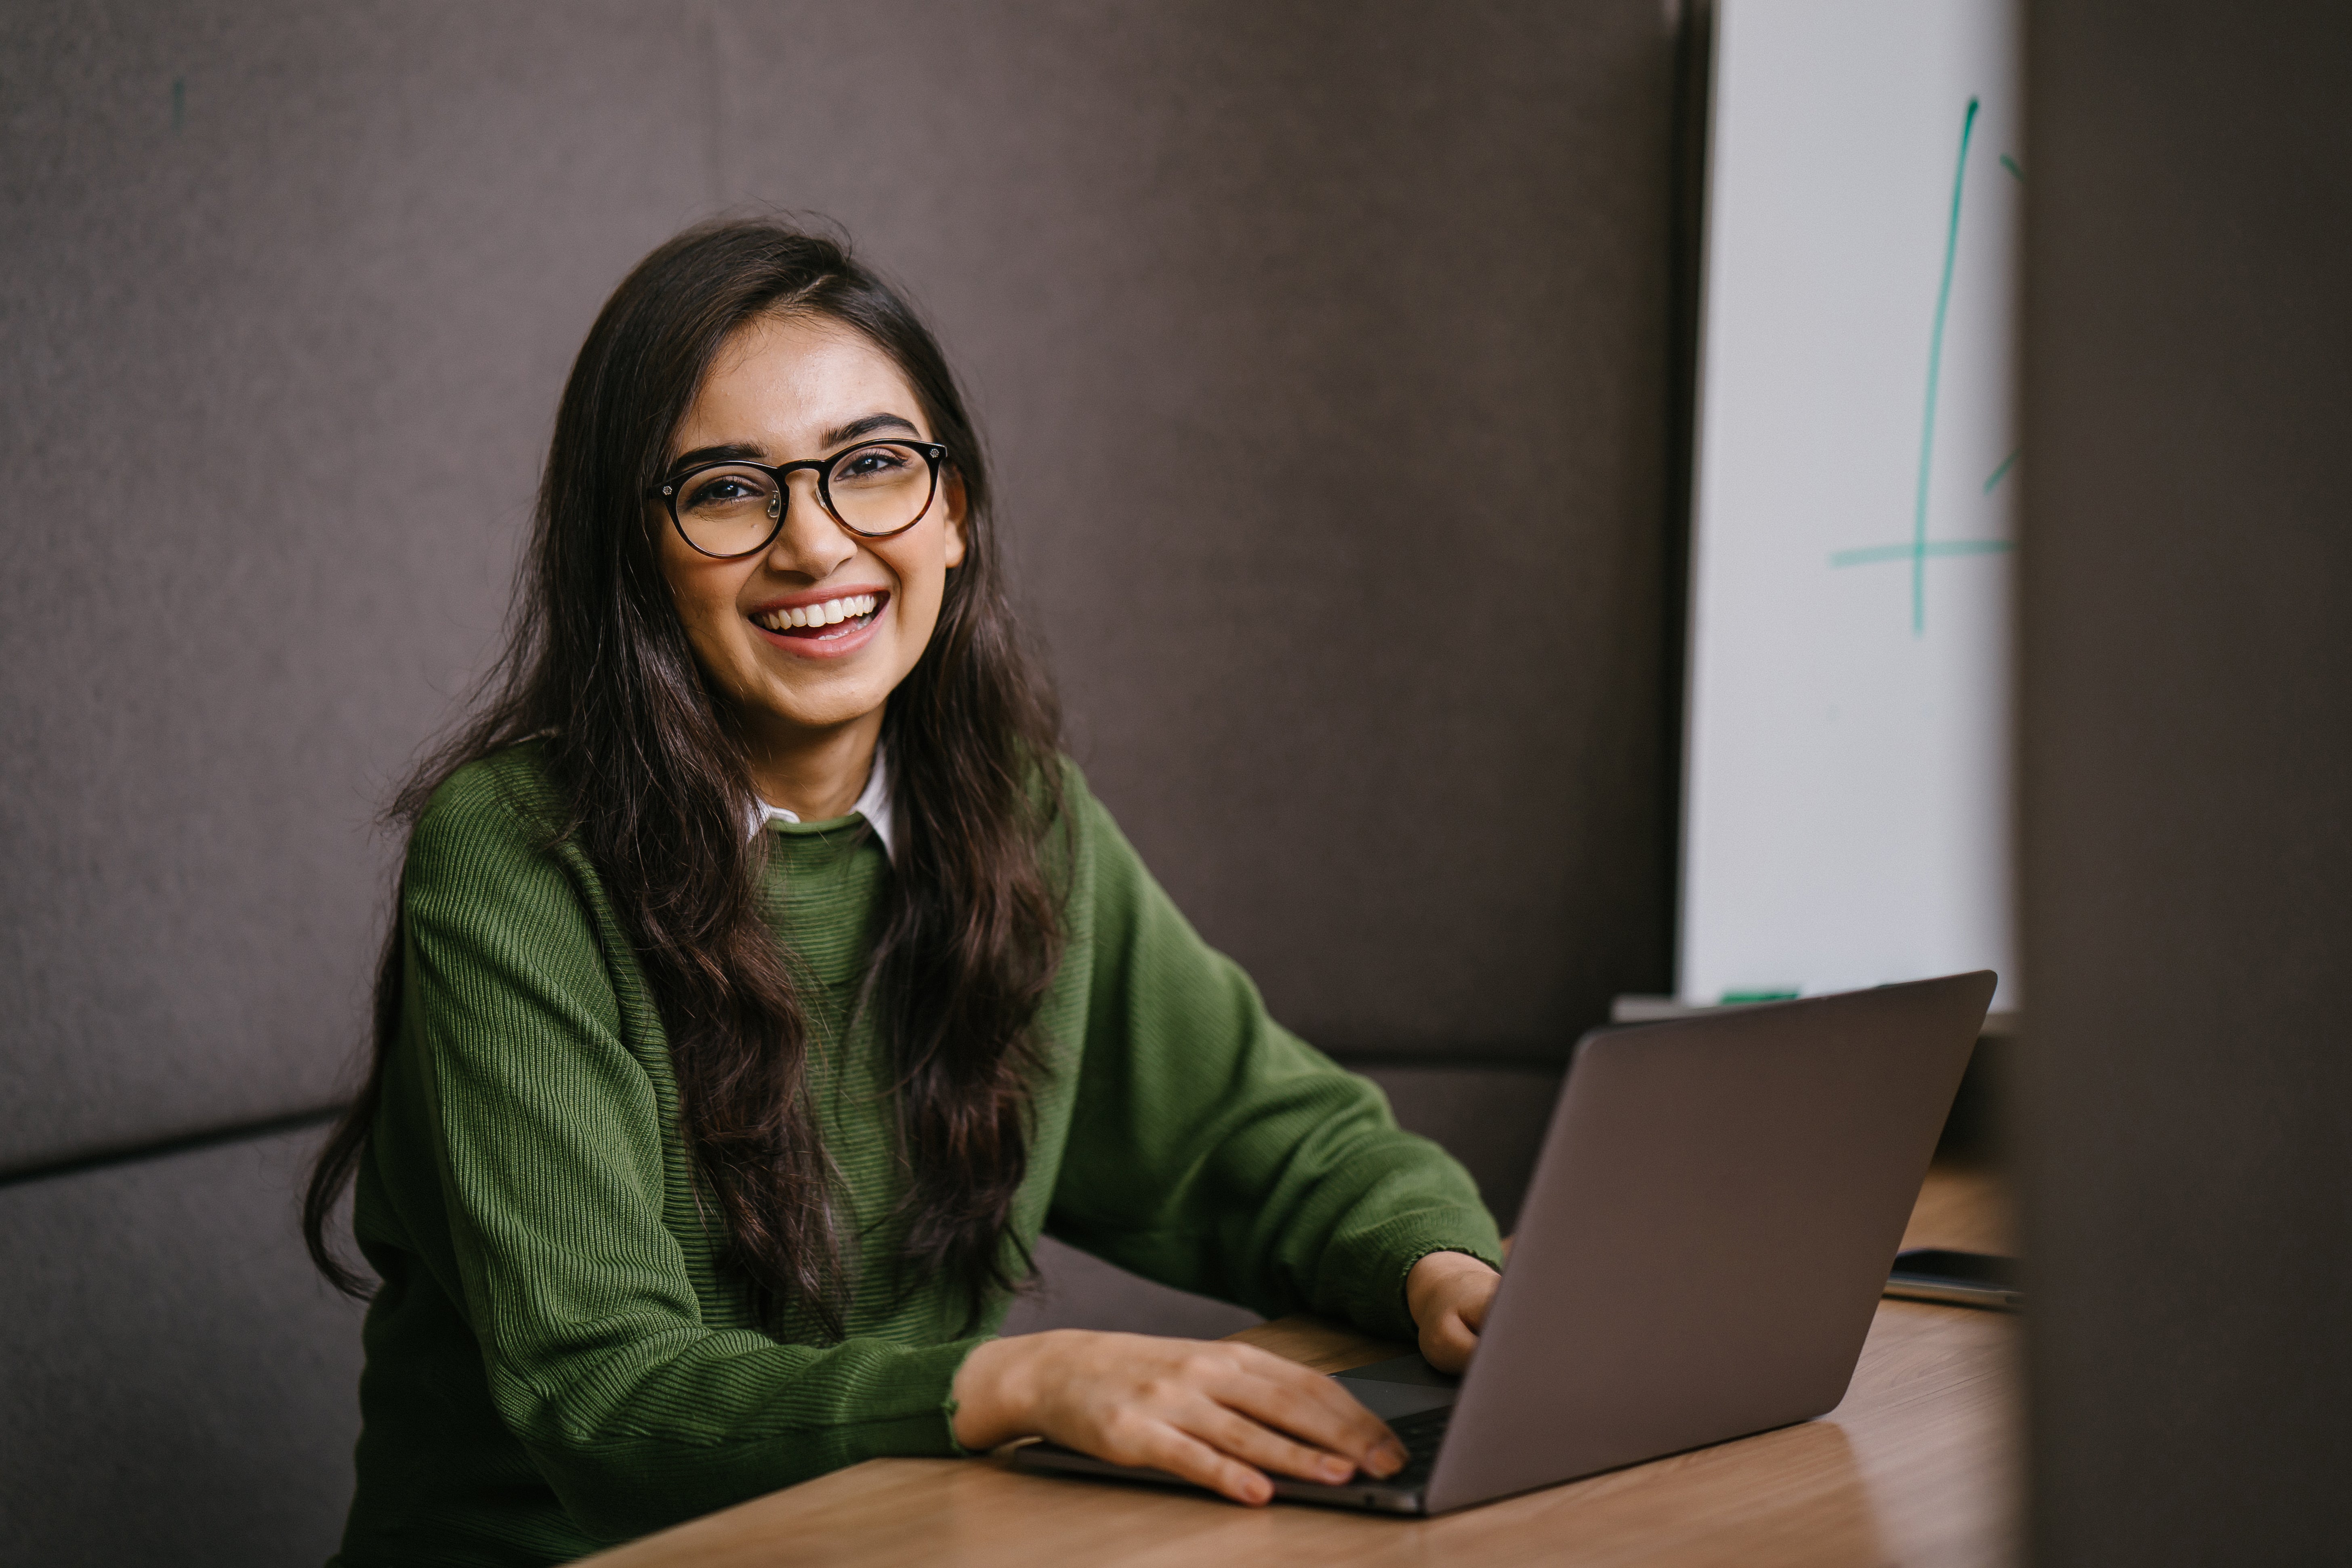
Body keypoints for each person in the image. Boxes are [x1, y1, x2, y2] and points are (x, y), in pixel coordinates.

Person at [303, 219, 1503, 1566]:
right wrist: (1018, 1385)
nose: (816, 547)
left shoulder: (1015, 809)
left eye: (873, 467)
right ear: (632, 551)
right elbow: (604, 1395)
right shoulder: (515, 856)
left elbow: (1254, 1138)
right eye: (726, 489)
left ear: (956, 510)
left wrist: (1445, 1268)